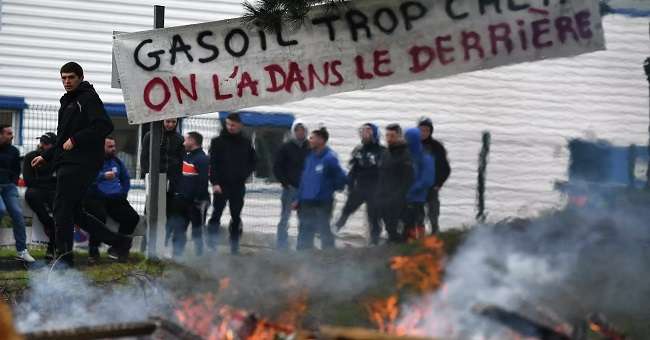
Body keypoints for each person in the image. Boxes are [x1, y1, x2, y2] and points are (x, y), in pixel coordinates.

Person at [31, 61, 116, 267]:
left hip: (81, 163)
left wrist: (77, 139)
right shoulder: (68, 101)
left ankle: (64, 260)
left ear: (80, 77)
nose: (67, 82)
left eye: (71, 78)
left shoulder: (87, 98)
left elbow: (105, 125)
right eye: (64, 78)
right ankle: (121, 242)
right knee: (75, 213)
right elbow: (62, 138)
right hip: (67, 161)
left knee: (61, 210)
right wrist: (47, 156)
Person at [207, 113, 256, 254]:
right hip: (220, 185)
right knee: (216, 215)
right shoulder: (217, 142)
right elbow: (212, 164)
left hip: (238, 186)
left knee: (236, 216)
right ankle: (211, 245)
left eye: (233, 125)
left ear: (240, 126)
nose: (230, 127)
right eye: (228, 124)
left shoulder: (246, 143)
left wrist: (244, 175)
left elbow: (253, 162)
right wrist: (214, 183)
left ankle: (234, 246)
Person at [85, 137, 140, 263]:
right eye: (110, 147)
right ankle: (93, 251)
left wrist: (123, 193)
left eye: (114, 146)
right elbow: (87, 178)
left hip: (116, 198)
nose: (113, 149)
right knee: (98, 218)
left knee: (132, 218)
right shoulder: (92, 161)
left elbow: (126, 179)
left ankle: (118, 248)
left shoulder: (117, 162)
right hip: (96, 198)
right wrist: (103, 176)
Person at [294, 126, 346, 250]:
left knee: (323, 228)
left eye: (312, 138)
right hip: (306, 201)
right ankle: (302, 256)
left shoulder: (330, 158)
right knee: (304, 228)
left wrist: (331, 189)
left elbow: (341, 177)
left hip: (323, 201)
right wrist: (298, 198)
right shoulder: (310, 158)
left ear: (321, 140)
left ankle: (329, 256)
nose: (309, 140)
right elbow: (304, 180)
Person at [335, 123, 385, 245]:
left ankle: (374, 240)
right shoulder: (358, 150)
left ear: (374, 133)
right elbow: (353, 170)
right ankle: (336, 227)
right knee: (347, 208)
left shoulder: (382, 151)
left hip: (376, 188)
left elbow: (386, 171)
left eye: (368, 131)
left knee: (374, 216)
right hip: (361, 186)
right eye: (363, 131)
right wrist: (350, 185)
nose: (365, 134)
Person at [140, 118, 184, 245]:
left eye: (173, 122)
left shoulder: (179, 139)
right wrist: (147, 176)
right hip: (154, 179)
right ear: (162, 121)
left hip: (172, 181)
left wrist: (176, 182)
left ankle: (161, 245)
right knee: (150, 212)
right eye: (167, 122)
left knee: (168, 214)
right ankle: (145, 245)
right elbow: (144, 158)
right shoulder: (150, 136)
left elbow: (180, 162)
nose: (170, 125)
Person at [167, 132, 210, 257]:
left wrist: (198, 200)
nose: (183, 143)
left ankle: (199, 257)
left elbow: (203, 182)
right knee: (179, 229)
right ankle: (177, 255)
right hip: (181, 200)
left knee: (197, 231)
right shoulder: (187, 156)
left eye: (186, 140)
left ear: (192, 141)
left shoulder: (202, 159)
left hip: (196, 203)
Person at [0, 126, 35, 262]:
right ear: (1, 134)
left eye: (12, 133)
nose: (12, 136)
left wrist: (13, 182)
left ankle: (22, 250)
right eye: (9, 133)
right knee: (1, 210)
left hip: (9, 187)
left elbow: (16, 170)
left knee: (18, 215)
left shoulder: (14, 151)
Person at [272, 120, 309, 250]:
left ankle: (302, 246)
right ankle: (281, 245)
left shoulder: (310, 148)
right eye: (298, 130)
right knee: (284, 218)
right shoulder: (285, 147)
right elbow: (277, 167)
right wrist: (285, 183)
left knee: (303, 219)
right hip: (289, 189)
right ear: (294, 131)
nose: (300, 132)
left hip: (304, 190)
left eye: (303, 130)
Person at [375, 124, 413, 243]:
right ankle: (393, 240)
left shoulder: (405, 153)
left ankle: (400, 244)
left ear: (399, 136)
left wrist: (400, 196)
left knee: (399, 223)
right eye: (387, 136)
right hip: (384, 193)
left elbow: (408, 178)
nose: (389, 138)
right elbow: (381, 173)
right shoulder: (385, 152)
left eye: (392, 136)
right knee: (387, 223)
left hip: (399, 195)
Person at [23, 132, 57, 260]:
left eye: (46, 143)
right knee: (32, 195)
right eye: (41, 142)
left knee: (59, 213)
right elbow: (28, 180)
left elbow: (59, 180)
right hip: (36, 191)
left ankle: (52, 247)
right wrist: (50, 180)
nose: (42, 145)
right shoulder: (30, 156)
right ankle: (48, 224)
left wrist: (47, 181)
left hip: (52, 191)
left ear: (53, 146)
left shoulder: (56, 158)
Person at [417, 117, 451, 234]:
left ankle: (435, 238)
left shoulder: (437, 147)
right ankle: (419, 242)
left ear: (430, 131)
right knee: (418, 218)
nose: (423, 133)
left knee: (433, 216)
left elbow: (445, 169)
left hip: (432, 188)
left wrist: (438, 183)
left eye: (426, 130)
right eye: (421, 130)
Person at [404, 128, 435, 241]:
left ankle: (420, 243)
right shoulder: (407, 155)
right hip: (405, 197)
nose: (406, 140)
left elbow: (427, 180)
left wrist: (412, 190)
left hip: (418, 197)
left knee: (418, 221)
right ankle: (408, 243)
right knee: (407, 222)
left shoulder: (425, 158)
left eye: (408, 138)